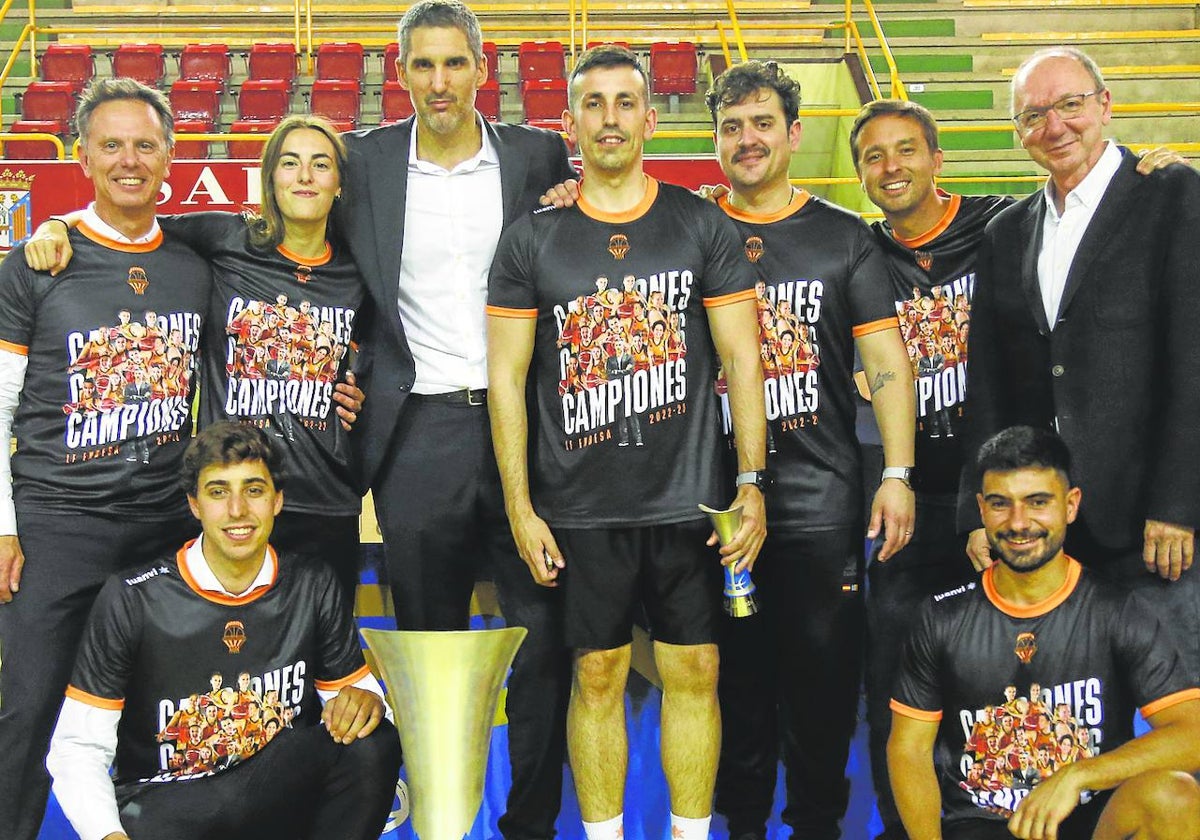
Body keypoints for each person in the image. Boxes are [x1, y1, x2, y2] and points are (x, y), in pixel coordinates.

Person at [848, 96, 1186, 840]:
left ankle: (1077, 807)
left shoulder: (998, 223)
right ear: (860, 175)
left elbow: (1097, 196)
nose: (891, 166)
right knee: (905, 692)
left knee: (1069, 677)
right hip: (911, 501)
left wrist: (1154, 169)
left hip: (1011, 500)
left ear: (940, 158)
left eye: (907, 149)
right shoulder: (856, 247)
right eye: (873, 156)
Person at [487, 44, 767, 840]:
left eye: (624, 102)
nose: (609, 118)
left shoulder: (699, 222)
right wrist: (521, 506)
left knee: (696, 671)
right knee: (598, 673)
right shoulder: (531, 239)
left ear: (650, 116)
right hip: (579, 504)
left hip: (691, 500)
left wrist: (752, 481)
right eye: (593, 103)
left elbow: (744, 358)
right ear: (569, 121)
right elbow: (506, 382)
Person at [333, 2, 578, 837]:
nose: (439, 82)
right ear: (400, 74)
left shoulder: (537, 155)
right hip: (419, 434)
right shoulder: (361, 162)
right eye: (422, 66)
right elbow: (278, 238)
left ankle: (531, 822)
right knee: (428, 644)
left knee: (542, 639)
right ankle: (437, 813)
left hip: (528, 430)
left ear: (483, 68)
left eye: (454, 64)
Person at [24, 114, 368, 599]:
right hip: (233, 498)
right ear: (270, 178)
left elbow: (381, 357)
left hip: (325, 498)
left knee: (323, 652)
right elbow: (129, 220)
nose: (305, 176)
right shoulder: (226, 238)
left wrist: (359, 392)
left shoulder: (359, 269)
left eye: (320, 164)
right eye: (290, 163)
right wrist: (56, 223)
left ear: (339, 183)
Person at [702, 61, 916, 840]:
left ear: (793, 134)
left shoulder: (840, 235)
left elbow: (889, 364)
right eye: (731, 127)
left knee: (822, 694)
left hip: (820, 501)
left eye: (762, 124)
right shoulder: (692, 228)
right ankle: (745, 829)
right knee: (736, 691)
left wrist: (895, 472)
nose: (747, 140)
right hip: (714, 504)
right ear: (714, 140)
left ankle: (817, 828)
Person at [0, 77, 213, 840]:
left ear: (170, 157)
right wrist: (2, 525)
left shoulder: (196, 263)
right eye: (112, 145)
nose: (130, 160)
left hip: (161, 524)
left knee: (156, 712)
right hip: (58, 523)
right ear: (83, 155)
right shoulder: (38, 262)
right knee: (27, 706)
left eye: (145, 145)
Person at [961, 47, 1200, 684]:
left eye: (1069, 105)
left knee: (1179, 713)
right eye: (1033, 115)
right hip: (1048, 529)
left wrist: (1177, 504)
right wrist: (977, 510)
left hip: (1151, 523)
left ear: (1105, 105)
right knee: (1078, 716)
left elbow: (1192, 361)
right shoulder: (1008, 230)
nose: (1055, 126)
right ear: (1018, 133)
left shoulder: (1171, 194)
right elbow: (990, 386)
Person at [46, 421, 402, 840]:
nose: (237, 510)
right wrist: (108, 836)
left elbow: (360, 705)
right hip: (170, 807)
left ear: (277, 500)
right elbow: (78, 748)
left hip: (268, 795)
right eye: (218, 492)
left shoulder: (311, 583)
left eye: (253, 490)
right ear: (194, 504)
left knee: (372, 742)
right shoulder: (133, 597)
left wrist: (366, 704)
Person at [889, 425, 1200, 840]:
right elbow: (908, 751)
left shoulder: (1117, 609)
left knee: (1173, 795)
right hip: (981, 827)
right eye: (1001, 504)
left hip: (1090, 824)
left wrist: (1079, 775)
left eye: (1037, 502)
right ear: (981, 510)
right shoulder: (941, 616)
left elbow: (1192, 733)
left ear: (1070, 506)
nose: (1019, 523)